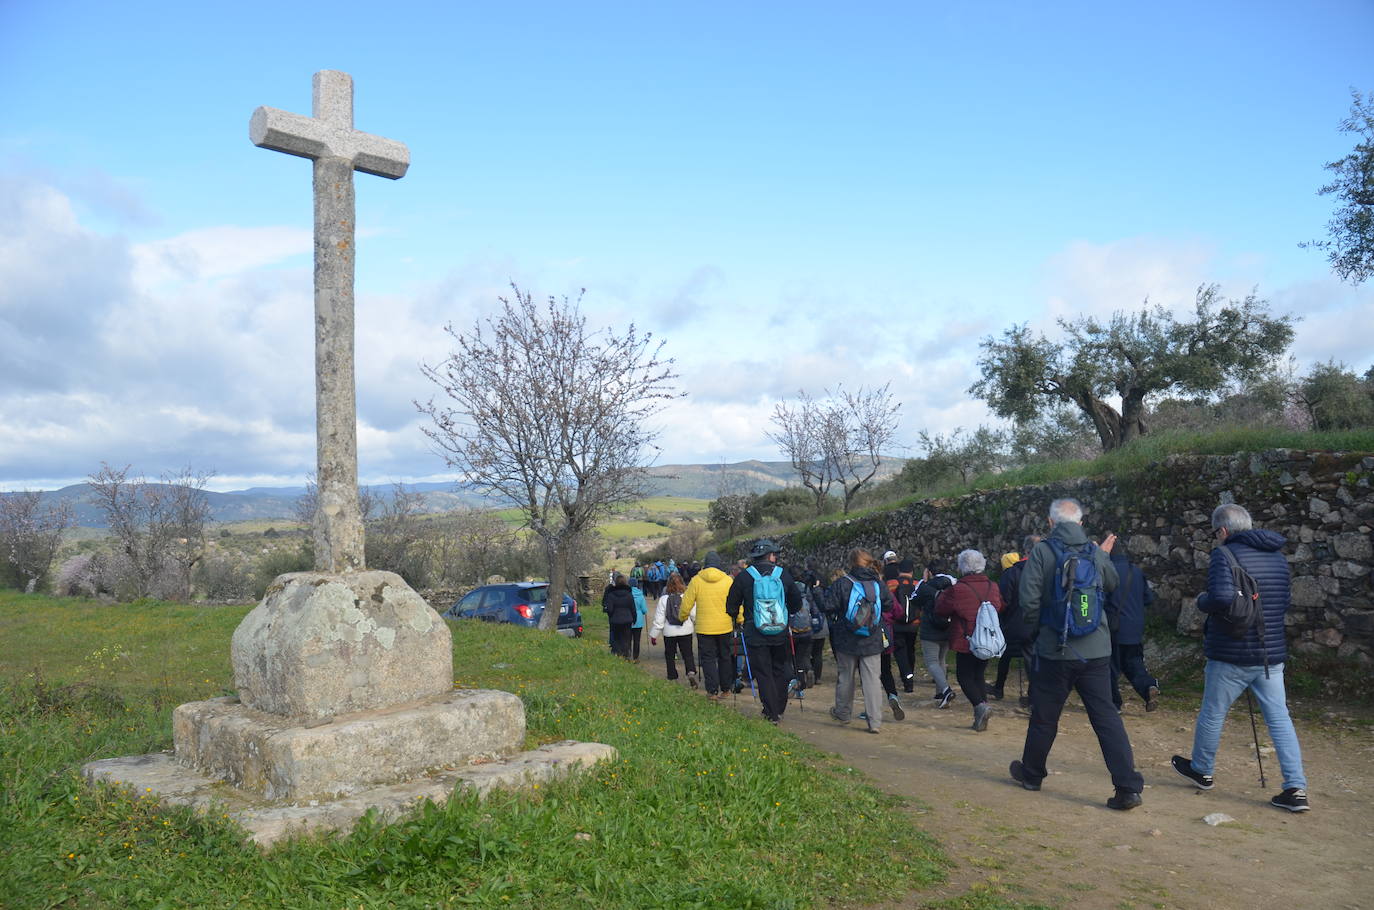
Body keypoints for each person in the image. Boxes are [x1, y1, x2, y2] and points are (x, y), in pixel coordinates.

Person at [1171, 503, 1310, 812]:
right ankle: (1295, 788)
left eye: (1214, 532)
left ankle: (1202, 770)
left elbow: (1220, 597)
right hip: (1269, 654)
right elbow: (1283, 600)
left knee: (1213, 712)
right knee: (1280, 719)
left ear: (1222, 531)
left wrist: (1202, 601)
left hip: (1231, 653)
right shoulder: (1276, 556)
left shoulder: (1225, 554)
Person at [1009, 497, 1143, 811]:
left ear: (1051, 523)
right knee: (1106, 718)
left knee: (1044, 716)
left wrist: (1036, 633)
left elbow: (1028, 602)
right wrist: (1102, 558)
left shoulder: (1041, 552)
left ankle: (1032, 775)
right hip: (1096, 651)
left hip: (1055, 651)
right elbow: (1111, 584)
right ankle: (1128, 788)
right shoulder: (1095, 552)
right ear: (1081, 523)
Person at [725, 538, 803, 725]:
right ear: (770, 555)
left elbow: (731, 604)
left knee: (763, 672)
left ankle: (771, 712)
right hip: (780, 631)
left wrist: (736, 617)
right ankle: (779, 708)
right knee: (780, 670)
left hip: (755, 631)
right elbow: (796, 602)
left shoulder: (744, 576)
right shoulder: (783, 575)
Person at [935, 549, 1003, 731]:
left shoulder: (957, 589)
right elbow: (999, 606)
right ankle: (981, 712)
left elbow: (941, 609)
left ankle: (980, 707)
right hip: (987, 638)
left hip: (966, 638)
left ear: (962, 567)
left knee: (964, 676)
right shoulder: (993, 586)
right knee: (978, 675)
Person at [827, 548, 887, 734]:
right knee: (872, 681)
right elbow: (890, 604)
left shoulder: (843, 583)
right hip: (872, 638)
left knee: (846, 677)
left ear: (851, 563)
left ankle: (843, 713)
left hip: (846, 638)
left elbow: (829, 606)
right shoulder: (878, 583)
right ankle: (874, 721)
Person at [1107, 543, 1160, 712]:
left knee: (1110, 668)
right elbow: (1148, 599)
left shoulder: (1107, 570)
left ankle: (1114, 704)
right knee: (1134, 664)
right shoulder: (1135, 570)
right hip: (1135, 629)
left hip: (1114, 628)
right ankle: (1148, 687)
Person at [680, 551, 737, 700]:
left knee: (708, 658)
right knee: (725, 656)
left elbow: (687, 602)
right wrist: (740, 617)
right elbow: (736, 601)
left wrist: (682, 616)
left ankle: (712, 691)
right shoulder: (728, 581)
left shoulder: (696, 580)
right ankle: (726, 689)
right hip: (725, 626)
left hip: (704, 628)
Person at [992, 536, 1039, 705]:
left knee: (1009, 652)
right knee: (1032, 658)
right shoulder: (1045, 571)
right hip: (1041, 624)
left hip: (1015, 623)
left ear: (1024, 551)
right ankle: (1033, 695)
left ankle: (999, 688)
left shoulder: (1012, 573)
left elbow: (1003, 601)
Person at [914, 562, 957, 707]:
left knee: (932, 661)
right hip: (948, 627)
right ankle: (940, 692)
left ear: (929, 572)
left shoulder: (926, 586)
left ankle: (945, 690)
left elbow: (914, 599)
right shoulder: (954, 583)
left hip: (930, 628)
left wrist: (924, 580)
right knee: (941, 659)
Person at [651, 571, 697, 686]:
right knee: (688, 653)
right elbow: (694, 614)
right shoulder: (687, 597)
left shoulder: (664, 599)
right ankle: (690, 672)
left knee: (670, 654)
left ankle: (672, 676)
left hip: (669, 631)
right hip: (686, 630)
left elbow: (659, 619)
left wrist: (654, 635)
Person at [889, 559, 921, 693]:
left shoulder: (891, 584)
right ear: (912, 571)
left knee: (900, 652)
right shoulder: (918, 584)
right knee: (910, 650)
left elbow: (887, 603)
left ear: (898, 570)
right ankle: (910, 675)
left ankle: (907, 679)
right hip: (914, 624)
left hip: (896, 623)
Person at [601, 573, 637, 659]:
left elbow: (609, 609)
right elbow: (633, 608)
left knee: (616, 638)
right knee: (626, 638)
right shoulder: (629, 595)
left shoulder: (611, 595)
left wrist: (611, 616)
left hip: (615, 620)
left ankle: (618, 655)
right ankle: (626, 655)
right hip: (627, 620)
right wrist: (634, 618)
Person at [628, 578, 648, 662]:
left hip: (628, 618)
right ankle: (636, 657)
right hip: (638, 620)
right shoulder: (640, 595)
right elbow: (644, 610)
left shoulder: (627, 594)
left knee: (628, 639)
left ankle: (628, 655)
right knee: (637, 640)